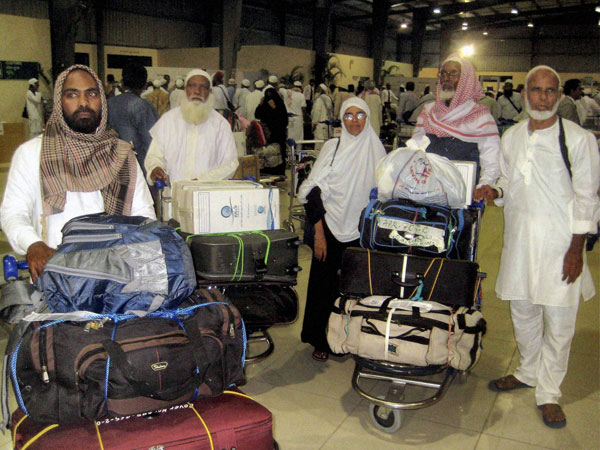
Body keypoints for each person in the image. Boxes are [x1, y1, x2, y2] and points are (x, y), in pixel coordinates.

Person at [478, 65, 599, 429]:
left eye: (550, 91)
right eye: (536, 90)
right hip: (519, 243)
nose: (543, 98)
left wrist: (577, 248)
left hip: (561, 246)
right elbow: (506, 180)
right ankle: (528, 371)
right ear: (525, 93)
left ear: (559, 95)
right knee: (524, 311)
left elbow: (588, 197)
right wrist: (494, 191)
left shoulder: (579, 139)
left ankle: (548, 392)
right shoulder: (512, 136)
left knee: (559, 322)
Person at [1, 65, 156, 282]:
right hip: (56, 276)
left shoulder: (122, 155)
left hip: (115, 277)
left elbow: (144, 215)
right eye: (72, 95)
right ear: (59, 101)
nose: (83, 103)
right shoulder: (32, 154)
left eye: (91, 94)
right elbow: (12, 213)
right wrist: (33, 244)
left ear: (101, 100)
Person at [298, 97, 386, 361]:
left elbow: (385, 191)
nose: (355, 121)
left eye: (360, 115)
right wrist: (319, 235)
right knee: (323, 286)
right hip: (329, 226)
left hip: (361, 231)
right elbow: (312, 191)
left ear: (368, 118)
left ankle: (352, 339)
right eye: (349, 115)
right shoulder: (332, 147)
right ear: (341, 119)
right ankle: (320, 338)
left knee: (355, 288)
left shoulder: (376, 150)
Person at [412, 54, 500, 193]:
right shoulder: (428, 112)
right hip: (428, 189)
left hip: (464, 191)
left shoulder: (480, 116)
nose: (447, 78)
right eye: (444, 73)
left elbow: (491, 157)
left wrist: (485, 184)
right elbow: (415, 148)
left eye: (454, 74)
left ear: (466, 80)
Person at [145, 69, 238, 186]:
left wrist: (201, 181)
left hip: (207, 195)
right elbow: (154, 156)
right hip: (173, 196)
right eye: (192, 86)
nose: (197, 91)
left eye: (203, 87)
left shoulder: (220, 125)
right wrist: (155, 168)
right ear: (185, 89)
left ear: (210, 92)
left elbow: (230, 164)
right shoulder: (168, 120)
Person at [107, 62, 159, 175]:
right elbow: (151, 141)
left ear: (123, 83)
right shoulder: (142, 106)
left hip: (111, 165)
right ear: (145, 85)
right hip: (137, 167)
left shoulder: (108, 103)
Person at [255, 87, 289, 175]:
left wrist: (274, 108)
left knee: (278, 154)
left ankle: (279, 172)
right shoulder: (264, 104)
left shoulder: (279, 105)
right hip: (267, 135)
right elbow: (257, 115)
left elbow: (283, 118)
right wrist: (260, 104)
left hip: (278, 134)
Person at [285, 81, 307, 147]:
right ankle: (298, 152)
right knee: (299, 137)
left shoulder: (287, 93)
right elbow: (303, 108)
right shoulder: (301, 95)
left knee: (290, 135)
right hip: (298, 119)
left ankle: (290, 153)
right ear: (300, 87)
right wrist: (305, 119)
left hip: (289, 118)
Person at [311, 83, 334, 148]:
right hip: (327, 126)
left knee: (318, 146)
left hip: (320, 126)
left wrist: (313, 125)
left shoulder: (319, 100)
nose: (316, 91)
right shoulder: (328, 99)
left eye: (318, 90)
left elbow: (316, 113)